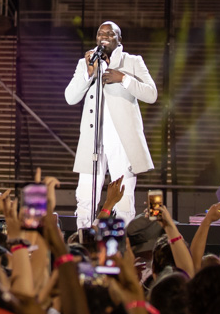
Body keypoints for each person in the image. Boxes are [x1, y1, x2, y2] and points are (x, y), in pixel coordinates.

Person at [65, 21, 158, 226]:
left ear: (119, 39)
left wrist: (123, 78)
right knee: (85, 197)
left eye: (110, 33)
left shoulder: (132, 61)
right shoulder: (87, 62)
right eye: (100, 33)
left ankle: (122, 248)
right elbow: (70, 98)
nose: (104, 36)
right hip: (93, 140)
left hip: (122, 141)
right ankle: (83, 243)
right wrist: (89, 73)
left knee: (123, 198)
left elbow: (151, 94)